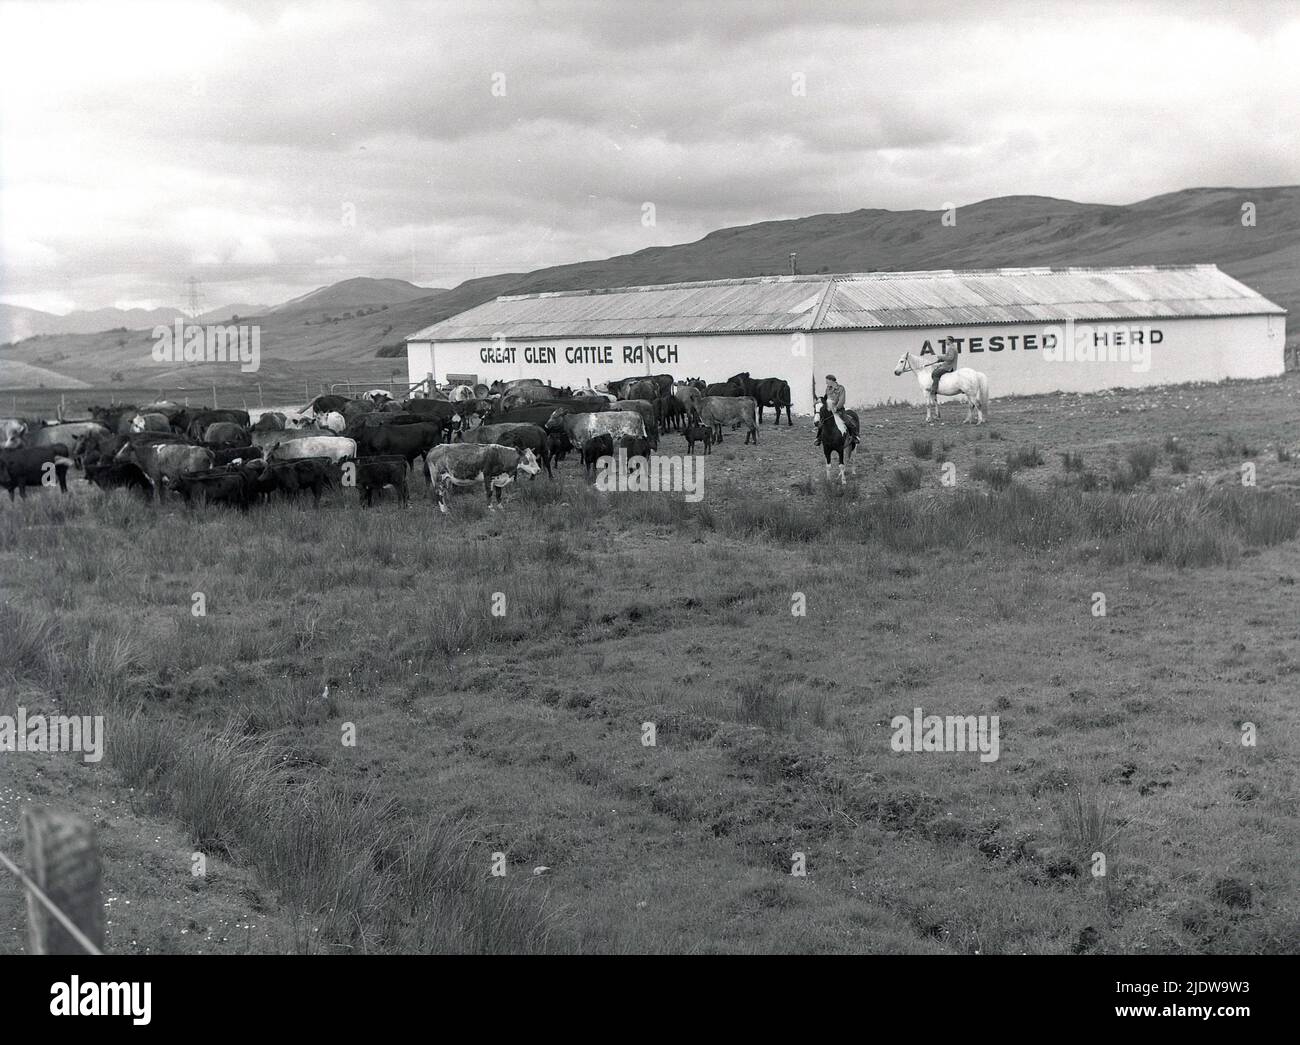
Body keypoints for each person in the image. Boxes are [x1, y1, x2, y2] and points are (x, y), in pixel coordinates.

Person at [815, 374, 858, 445]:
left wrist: (837, 407)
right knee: (822, 422)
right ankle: (819, 438)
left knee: (848, 422)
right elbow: (826, 398)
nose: (826, 383)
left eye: (827, 381)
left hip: (839, 410)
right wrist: (820, 400)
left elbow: (842, 400)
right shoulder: (828, 389)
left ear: (832, 380)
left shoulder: (841, 388)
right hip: (829, 411)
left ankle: (854, 436)